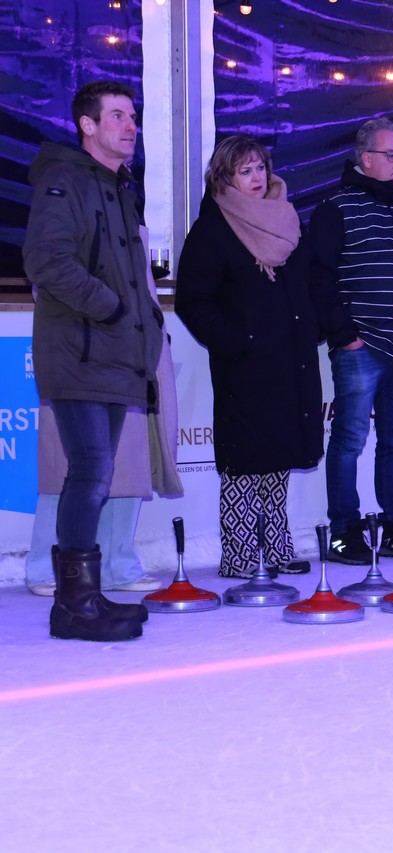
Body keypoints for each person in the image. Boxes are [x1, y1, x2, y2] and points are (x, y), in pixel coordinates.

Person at [23, 80, 160, 641]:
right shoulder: (65, 180)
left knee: (95, 475)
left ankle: (83, 598)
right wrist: (111, 309)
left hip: (112, 354)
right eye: (118, 116)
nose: (131, 126)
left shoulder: (118, 187)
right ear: (88, 124)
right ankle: (75, 605)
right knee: (90, 473)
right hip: (79, 351)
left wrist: (139, 330)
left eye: (133, 116)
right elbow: (47, 262)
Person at [176, 136, 323, 577]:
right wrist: (240, 340)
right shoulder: (213, 230)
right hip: (245, 364)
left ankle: (277, 547)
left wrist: (310, 328)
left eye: (260, 167)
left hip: (290, 359)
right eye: (245, 171)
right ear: (225, 177)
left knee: (278, 456)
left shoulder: (286, 218)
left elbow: (310, 284)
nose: (257, 178)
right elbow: (192, 301)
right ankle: (240, 555)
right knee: (244, 459)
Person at [311, 117, 393, 564]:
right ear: (365, 159)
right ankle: (344, 531)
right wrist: (344, 334)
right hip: (362, 346)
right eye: (391, 155)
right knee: (349, 439)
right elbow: (319, 278)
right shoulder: (336, 207)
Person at [26, 224, 182, 595]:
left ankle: (118, 564)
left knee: (129, 465)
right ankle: (46, 565)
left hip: (134, 354)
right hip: (82, 352)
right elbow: (50, 277)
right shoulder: (69, 213)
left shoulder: (131, 221)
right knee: (70, 468)